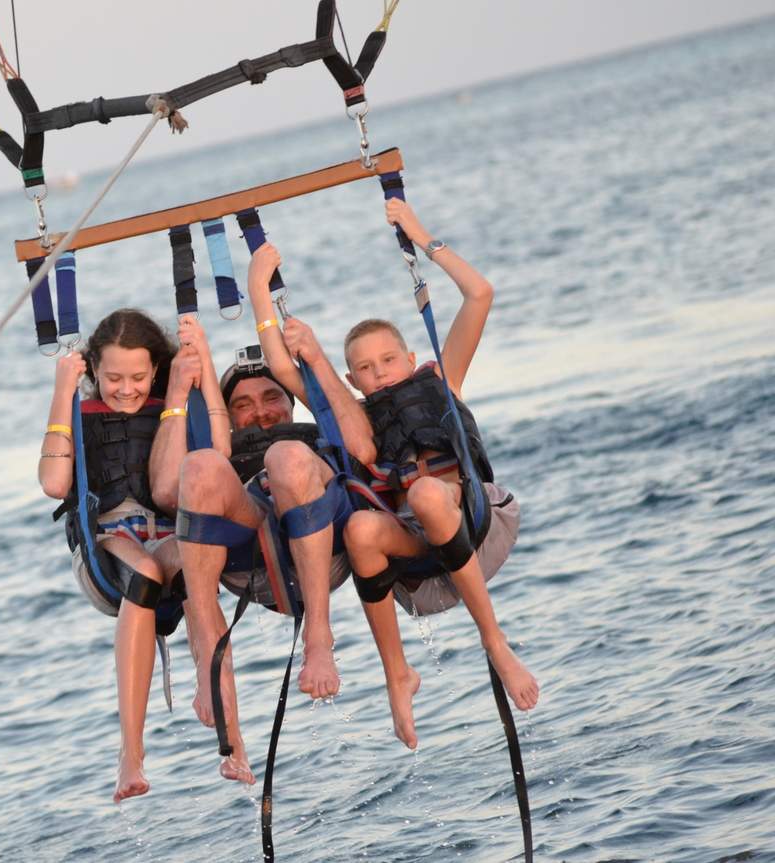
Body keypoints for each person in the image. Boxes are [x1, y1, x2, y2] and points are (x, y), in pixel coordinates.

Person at [151, 248, 375, 786]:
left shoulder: (315, 432)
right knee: (200, 466)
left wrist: (281, 321)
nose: (260, 411)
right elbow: (171, 490)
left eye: (271, 397)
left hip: (319, 523)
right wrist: (194, 365)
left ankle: (318, 637)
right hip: (247, 538)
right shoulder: (225, 444)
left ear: (291, 403)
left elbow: (363, 446)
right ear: (228, 415)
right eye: (243, 404)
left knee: (287, 456)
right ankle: (218, 694)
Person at [338, 198, 539, 751]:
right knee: (359, 529)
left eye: (389, 360)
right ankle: (396, 675)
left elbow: (480, 294)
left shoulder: (442, 380)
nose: (380, 373)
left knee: (427, 492)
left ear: (409, 358)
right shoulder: (355, 417)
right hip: (414, 548)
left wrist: (421, 236)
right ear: (351, 382)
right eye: (365, 368)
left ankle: (494, 641)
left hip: (471, 519)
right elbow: (290, 371)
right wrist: (265, 294)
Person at [39, 309, 228, 803]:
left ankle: (230, 736)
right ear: (94, 372)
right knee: (144, 572)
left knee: (196, 561)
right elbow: (54, 484)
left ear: (156, 369)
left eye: (139, 378)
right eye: (113, 378)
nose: (126, 390)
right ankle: (131, 753)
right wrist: (62, 390)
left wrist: (203, 363)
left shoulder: (173, 404)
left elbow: (219, 454)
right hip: (108, 548)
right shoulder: (78, 414)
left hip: (168, 536)